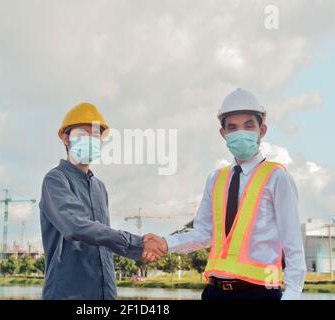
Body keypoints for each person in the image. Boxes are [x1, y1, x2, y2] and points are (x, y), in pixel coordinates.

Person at [145, 89, 306, 300]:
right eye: (233, 127)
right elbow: (204, 233)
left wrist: (292, 293)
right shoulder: (216, 179)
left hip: (260, 293)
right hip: (215, 292)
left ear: (262, 130)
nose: (241, 132)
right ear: (223, 134)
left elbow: (292, 242)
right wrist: (166, 243)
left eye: (249, 125)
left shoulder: (277, 177)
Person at [39, 102, 165, 300]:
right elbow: (76, 227)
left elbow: (103, 240)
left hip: (104, 293)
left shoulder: (100, 187)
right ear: (65, 137)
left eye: (95, 135)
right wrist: (136, 244)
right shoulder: (55, 180)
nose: (90, 140)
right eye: (82, 134)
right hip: (68, 293)